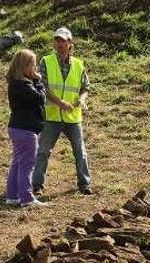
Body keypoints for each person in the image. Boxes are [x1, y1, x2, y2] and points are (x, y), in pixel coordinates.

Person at [32, 27, 93, 196]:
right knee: (43, 152)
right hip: (51, 117)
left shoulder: (79, 65)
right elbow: (42, 87)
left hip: (73, 117)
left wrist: (82, 99)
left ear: (70, 43)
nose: (59, 44)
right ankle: (36, 185)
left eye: (63, 40)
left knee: (80, 152)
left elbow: (85, 87)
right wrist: (60, 103)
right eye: (57, 40)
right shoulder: (46, 61)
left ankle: (84, 184)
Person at [5, 49, 49, 208]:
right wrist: (39, 81)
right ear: (24, 66)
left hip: (17, 127)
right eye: (33, 65)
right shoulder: (23, 84)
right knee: (27, 164)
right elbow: (40, 98)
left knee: (17, 161)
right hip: (26, 130)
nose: (35, 69)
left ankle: (12, 196)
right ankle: (27, 198)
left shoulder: (15, 84)